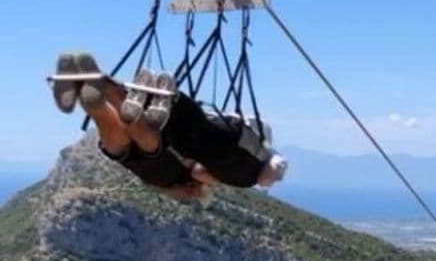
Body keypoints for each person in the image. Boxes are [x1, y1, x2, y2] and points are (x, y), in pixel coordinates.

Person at [50, 52, 287, 198]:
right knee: (121, 126)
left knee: (136, 119)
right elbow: (197, 173)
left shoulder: (193, 171)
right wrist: (195, 186)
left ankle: (91, 79)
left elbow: (199, 171)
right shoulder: (189, 176)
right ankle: (89, 97)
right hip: (143, 160)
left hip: (156, 158)